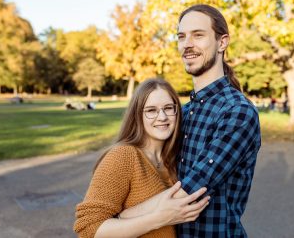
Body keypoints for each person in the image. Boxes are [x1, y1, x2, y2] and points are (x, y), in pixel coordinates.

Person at [73, 78, 210, 238]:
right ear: (138, 115)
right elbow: (89, 228)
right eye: (151, 110)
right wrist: (160, 218)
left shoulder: (176, 160)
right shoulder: (124, 156)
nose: (163, 117)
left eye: (168, 108)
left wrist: (127, 215)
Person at [175, 4, 262, 237]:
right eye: (181, 36)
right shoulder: (182, 112)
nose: (187, 44)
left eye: (198, 35)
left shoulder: (238, 112)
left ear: (222, 42)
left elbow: (187, 193)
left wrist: (120, 220)